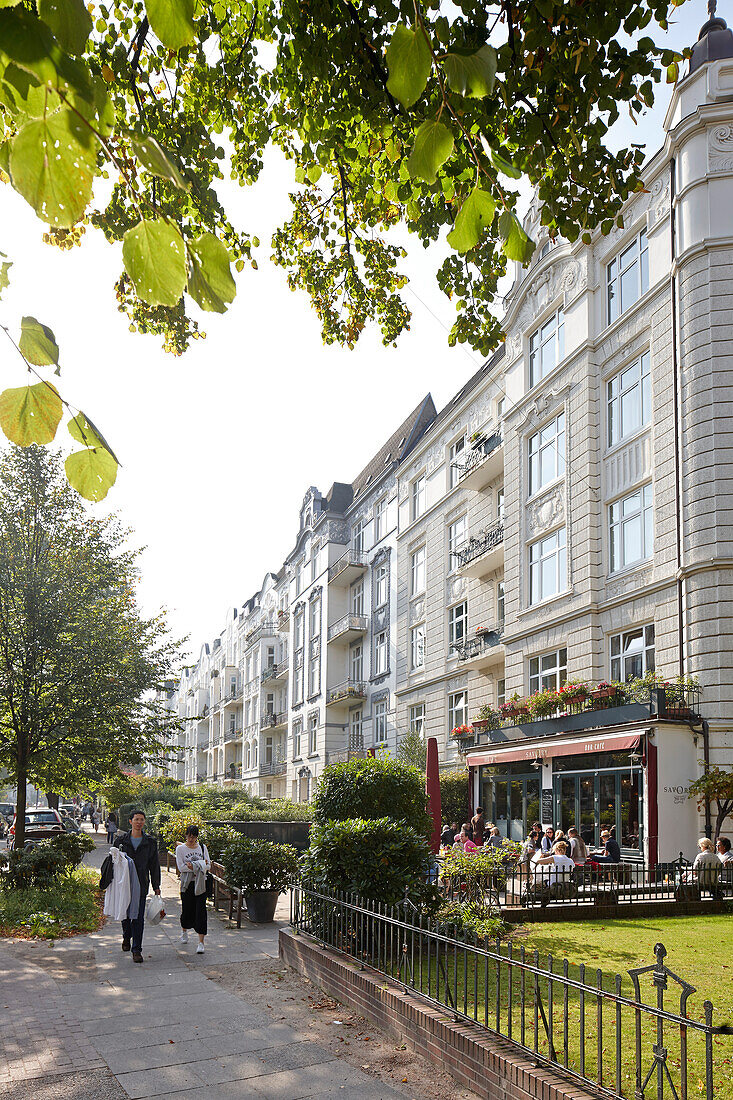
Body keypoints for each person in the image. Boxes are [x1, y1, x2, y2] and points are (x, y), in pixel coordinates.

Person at [114, 810, 161, 963]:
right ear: (130, 821)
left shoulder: (150, 842)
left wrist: (156, 885)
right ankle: (126, 937)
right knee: (126, 915)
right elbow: (113, 863)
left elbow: (155, 866)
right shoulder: (121, 841)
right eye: (136, 819)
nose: (139, 822)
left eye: (142, 819)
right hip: (124, 884)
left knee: (138, 917)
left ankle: (137, 950)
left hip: (141, 884)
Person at [175, 824, 211, 954]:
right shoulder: (180, 849)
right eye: (189, 836)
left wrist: (193, 866)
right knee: (187, 910)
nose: (191, 839)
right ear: (186, 835)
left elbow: (208, 865)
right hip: (187, 884)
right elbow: (181, 867)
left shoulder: (202, 847)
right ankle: (184, 930)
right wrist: (199, 865)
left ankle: (201, 943)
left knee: (201, 912)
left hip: (201, 883)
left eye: (194, 836)